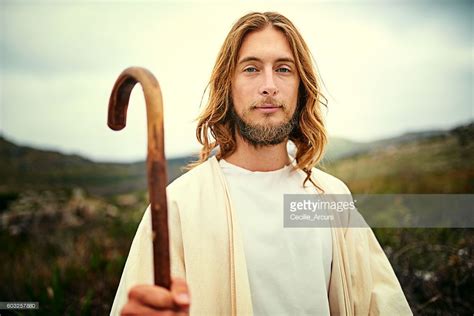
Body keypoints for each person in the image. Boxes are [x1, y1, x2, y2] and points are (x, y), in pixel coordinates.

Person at [111, 11, 412, 315]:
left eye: (283, 69)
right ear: (228, 86)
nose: (269, 85)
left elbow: (381, 304)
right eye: (251, 69)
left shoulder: (331, 198)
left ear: (301, 86)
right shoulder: (179, 205)